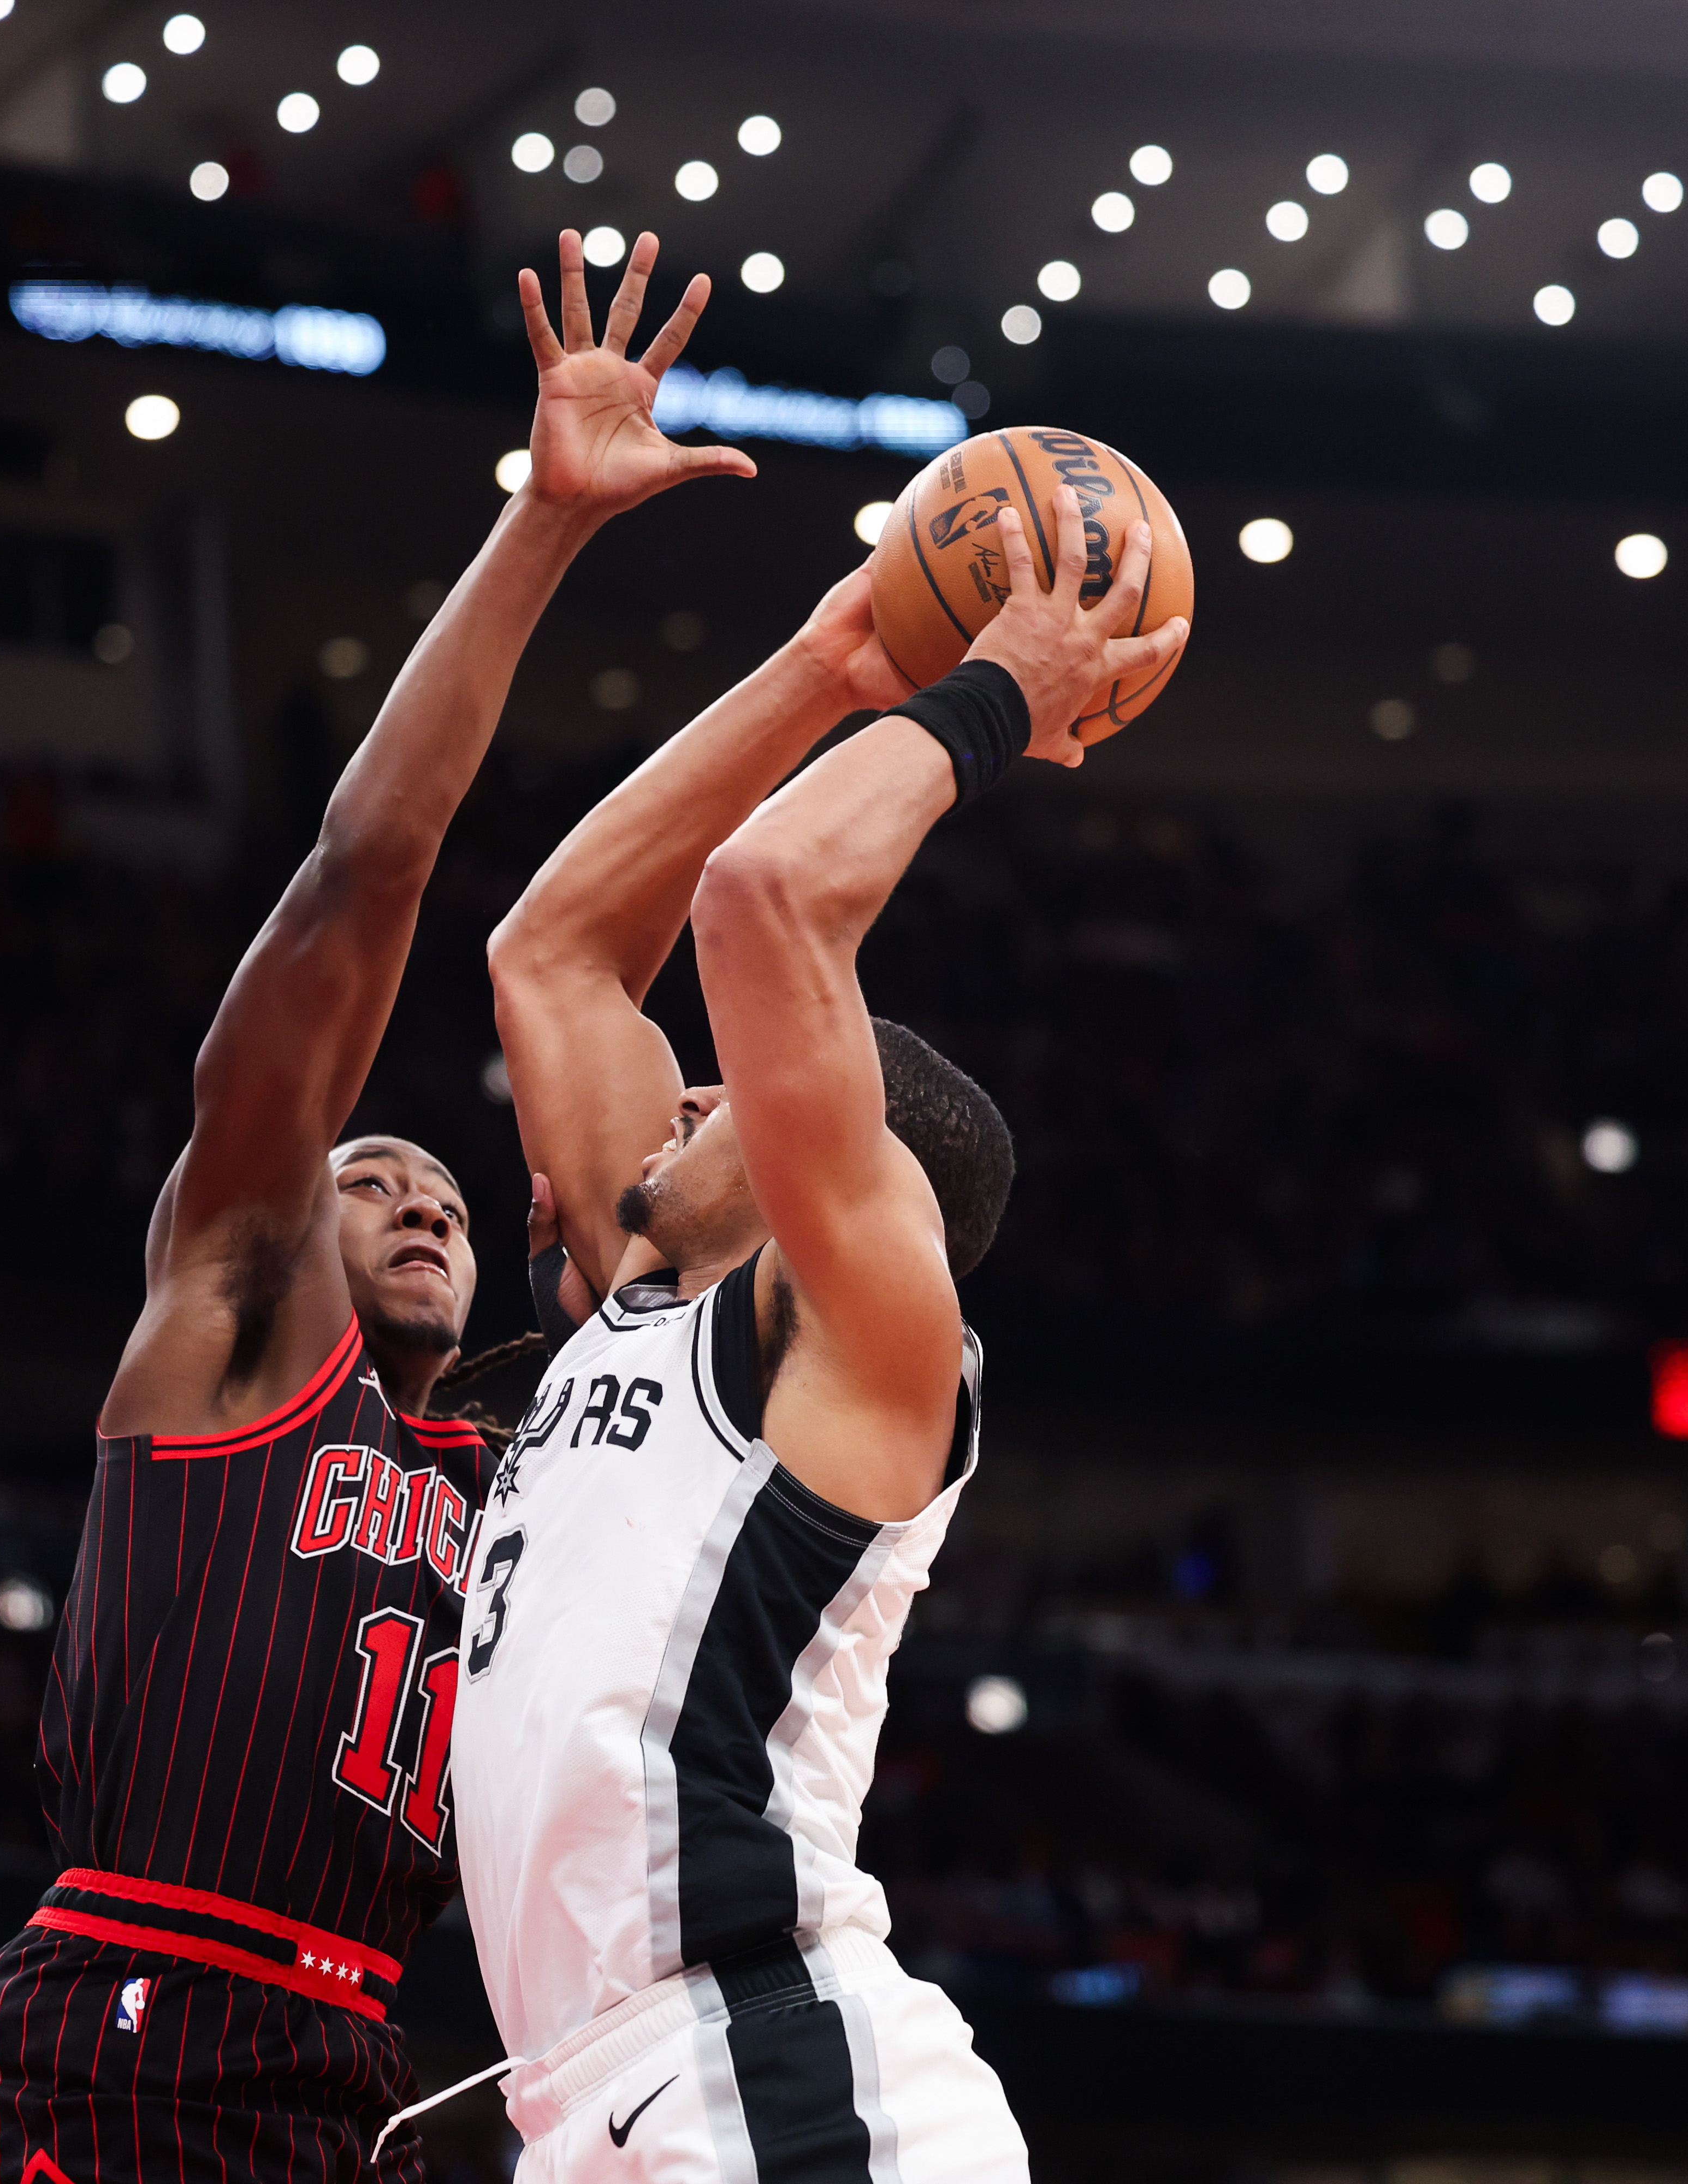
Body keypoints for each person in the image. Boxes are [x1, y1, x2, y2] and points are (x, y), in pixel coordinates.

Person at [0, 228, 754, 2184]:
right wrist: (549, 527)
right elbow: (366, 876)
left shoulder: (517, 1457)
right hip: (139, 2004)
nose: (408, 1191)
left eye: (440, 1183)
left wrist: (854, 667)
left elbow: (596, 1011)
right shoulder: (232, 1338)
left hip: (368, 2056)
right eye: (362, 1171)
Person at [456, 489, 1182, 2178]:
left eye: (727, 1088)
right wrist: (827, 662)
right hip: (613, 2089)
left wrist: (993, 689)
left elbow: (765, 896)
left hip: (767, 2065)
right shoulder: (640, 1304)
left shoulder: (854, 1342)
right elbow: (553, 959)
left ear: (831, 1165)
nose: (688, 1087)